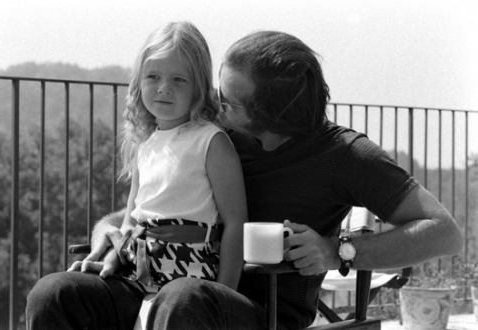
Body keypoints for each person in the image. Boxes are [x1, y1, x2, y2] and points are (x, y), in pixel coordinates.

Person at [27, 29, 464, 330]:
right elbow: (161, 206)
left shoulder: (346, 156)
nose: (214, 104)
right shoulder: (219, 136)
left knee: (185, 299)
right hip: (164, 283)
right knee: (56, 293)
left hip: (262, 311)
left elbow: (443, 233)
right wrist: (109, 230)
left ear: (268, 120)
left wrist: (337, 251)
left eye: (229, 101)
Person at [25, 21, 247, 330]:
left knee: (179, 299)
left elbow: (236, 222)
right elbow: (131, 220)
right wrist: (111, 258)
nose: (163, 87)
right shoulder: (147, 146)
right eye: (153, 76)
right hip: (136, 274)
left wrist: (223, 295)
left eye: (179, 79)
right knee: (54, 293)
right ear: (138, 83)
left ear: (198, 87)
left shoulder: (211, 141)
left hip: (190, 278)